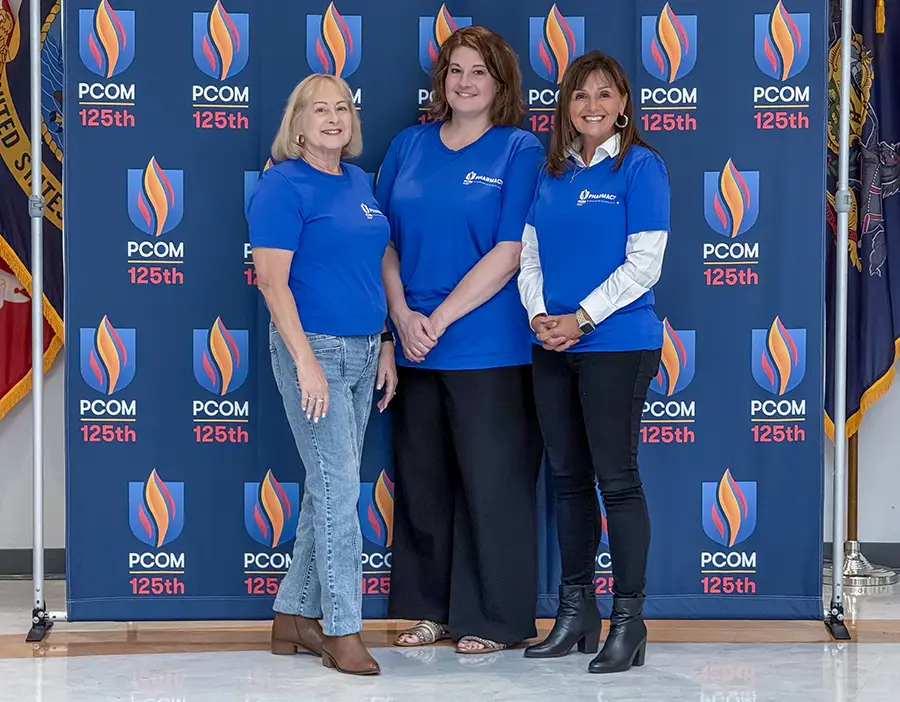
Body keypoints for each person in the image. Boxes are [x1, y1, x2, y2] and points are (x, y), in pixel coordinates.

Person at [375, 26, 544, 654]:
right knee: (423, 479)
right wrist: (400, 319)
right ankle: (430, 611)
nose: (464, 82)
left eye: (478, 71)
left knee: (490, 482)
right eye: (455, 70)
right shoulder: (408, 145)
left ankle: (494, 619)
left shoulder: (519, 149)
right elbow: (382, 240)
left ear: (500, 83)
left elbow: (508, 252)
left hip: (488, 344)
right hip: (413, 342)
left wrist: (437, 321)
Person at [517, 50, 670, 674]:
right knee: (567, 481)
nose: (593, 106)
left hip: (617, 342)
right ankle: (575, 611)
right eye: (580, 96)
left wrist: (580, 318)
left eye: (605, 94)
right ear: (566, 107)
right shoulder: (549, 171)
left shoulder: (642, 167)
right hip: (550, 344)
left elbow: (645, 264)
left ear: (624, 105)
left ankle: (628, 622)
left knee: (618, 480)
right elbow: (528, 255)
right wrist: (538, 318)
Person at [247, 73, 397, 676]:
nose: (333, 117)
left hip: (364, 351)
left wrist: (386, 341)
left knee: (327, 485)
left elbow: (372, 266)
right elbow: (271, 281)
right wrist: (305, 361)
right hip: (315, 352)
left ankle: (290, 618)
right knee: (339, 489)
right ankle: (341, 628)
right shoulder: (282, 185)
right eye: (319, 109)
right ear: (298, 122)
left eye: (342, 108)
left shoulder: (361, 182)